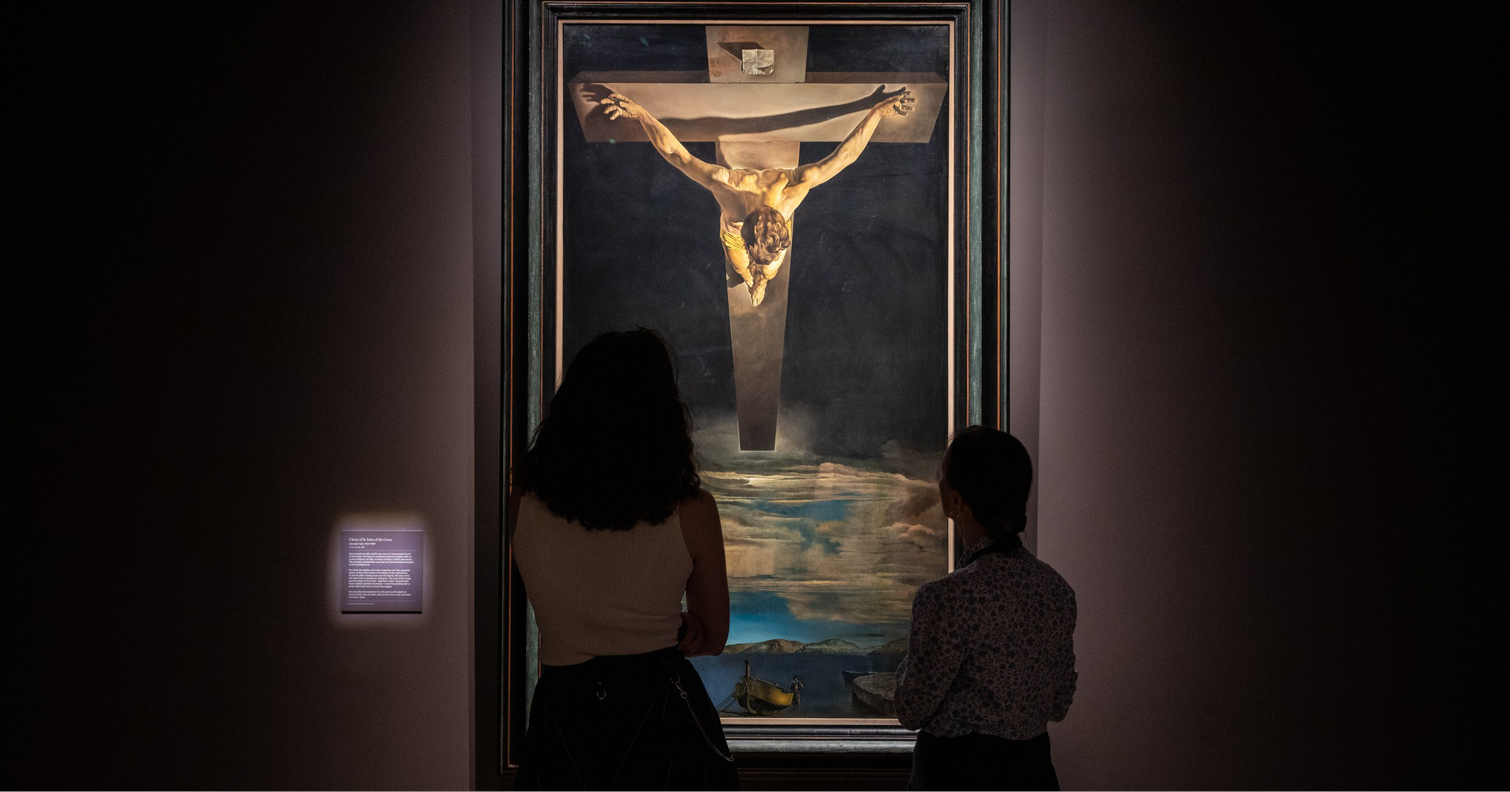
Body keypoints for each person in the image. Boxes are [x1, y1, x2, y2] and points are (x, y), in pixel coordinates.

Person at [510, 329, 738, 790]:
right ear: (663, 416)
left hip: (563, 715)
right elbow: (712, 636)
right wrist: (673, 625)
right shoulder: (692, 511)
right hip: (659, 720)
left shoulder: (521, 505)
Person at [599, 87, 915, 306]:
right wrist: (641, 115)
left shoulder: (793, 191)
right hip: (736, 235)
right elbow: (675, 155)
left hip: (756, 237)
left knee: (771, 269)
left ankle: (762, 279)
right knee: (740, 267)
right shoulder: (727, 186)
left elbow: (845, 156)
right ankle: (752, 280)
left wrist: (876, 112)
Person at [894, 427, 1078, 791]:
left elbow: (911, 708)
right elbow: (1059, 705)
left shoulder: (948, 598)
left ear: (955, 501)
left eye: (942, 478)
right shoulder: (1057, 591)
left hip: (955, 778)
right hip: (1033, 777)